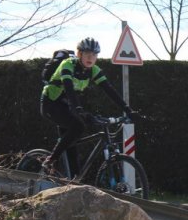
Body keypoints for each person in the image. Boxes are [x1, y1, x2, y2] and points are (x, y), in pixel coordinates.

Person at [40, 37, 134, 175]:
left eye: (94, 55)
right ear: (79, 54)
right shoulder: (68, 64)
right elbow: (68, 88)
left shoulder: (94, 70)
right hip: (50, 104)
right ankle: (50, 160)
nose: (91, 57)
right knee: (78, 127)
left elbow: (109, 90)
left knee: (71, 145)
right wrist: (78, 110)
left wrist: (128, 110)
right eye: (87, 54)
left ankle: (73, 181)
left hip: (66, 106)